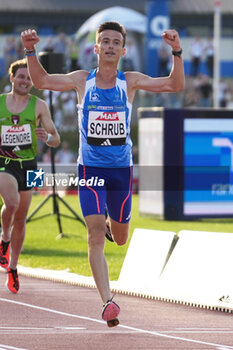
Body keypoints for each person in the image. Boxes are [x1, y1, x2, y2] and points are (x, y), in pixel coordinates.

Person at [21, 21, 185, 326]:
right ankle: (107, 301)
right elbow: (41, 80)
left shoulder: (131, 82)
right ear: (96, 48)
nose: (110, 46)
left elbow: (174, 86)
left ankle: (114, 224)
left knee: (119, 239)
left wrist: (176, 51)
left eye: (115, 42)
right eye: (104, 41)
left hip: (121, 171)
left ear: (123, 50)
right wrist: (30, 50)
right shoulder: (82, 80)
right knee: (94, 236)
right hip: (90, 169)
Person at [0, 58, 60, 294]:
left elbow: (56, 139)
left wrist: (45, 136)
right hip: (5, 162)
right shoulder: (0, 103)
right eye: (21, 77)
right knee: (12, 203)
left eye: (29, 78)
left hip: (31, 165)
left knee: (22, 218)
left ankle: (13, 268)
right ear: (12, 78)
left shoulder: (39, 106)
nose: (25, 81)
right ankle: (4, 237)